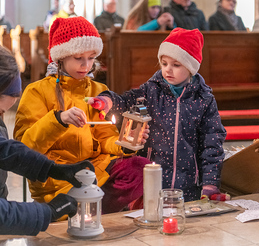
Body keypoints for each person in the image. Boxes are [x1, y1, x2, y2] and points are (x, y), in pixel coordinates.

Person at [14, 17, 150, 214]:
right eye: (79, 58)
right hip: (58, 178)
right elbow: (25, 148)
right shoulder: (37, 91)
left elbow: (104, 139)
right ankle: (80, 209)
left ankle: (83, 211)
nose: (86, 65)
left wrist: (124, 144)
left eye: (92, 57)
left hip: (94, 172)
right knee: (83, 195)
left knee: (142, 168)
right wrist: (58, 120)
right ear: (61, 57)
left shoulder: (98, 89)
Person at [91, 28, 227, 202]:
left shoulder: (203, 100)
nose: (168, 70)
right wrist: (107, 100)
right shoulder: (151, 91)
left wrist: (210, 184)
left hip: (188, 185)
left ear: (191, 67)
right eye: (164, 64)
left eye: (176, 65)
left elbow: (212, 143)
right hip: (153, 181)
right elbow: (126, 100)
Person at [0, 45, 95, 235]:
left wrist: (52, 169)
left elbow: (5, 150)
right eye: (1, 111)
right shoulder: (39, 91)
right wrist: (47, 212)